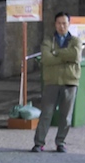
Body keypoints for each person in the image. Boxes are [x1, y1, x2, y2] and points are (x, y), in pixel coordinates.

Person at [32, 12, 82, 153]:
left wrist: (56, 53)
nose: (62, 26)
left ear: (69, 24)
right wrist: (65, 56)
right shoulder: (48, 41)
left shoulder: (75, 41)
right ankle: (39, 143)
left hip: (70, 81)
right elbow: (46, 59)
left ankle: (60, 142)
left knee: (66, 116)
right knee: (46, 114)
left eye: (64, 23)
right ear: (55, 24)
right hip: (52, 82)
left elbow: (75, 55)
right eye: (59, 23)